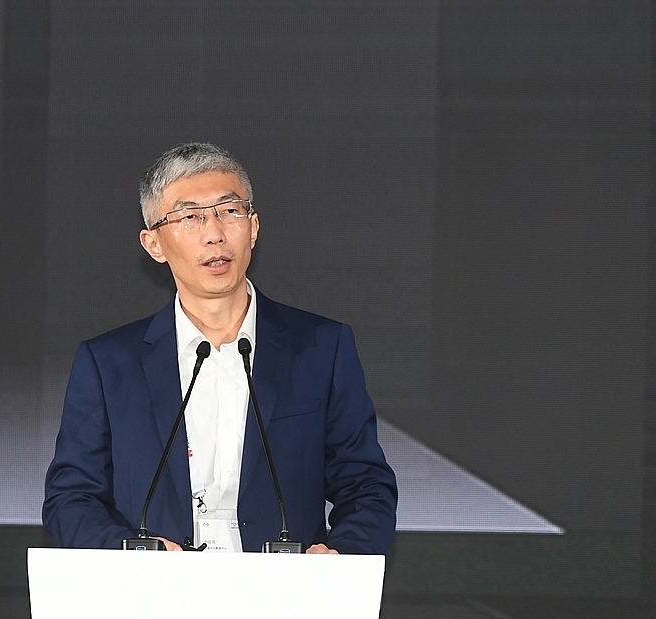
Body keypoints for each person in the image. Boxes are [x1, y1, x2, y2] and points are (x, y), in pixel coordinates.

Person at [43, 143, 397, 554]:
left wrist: (341, 557)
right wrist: (132, 553)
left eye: (229, 211)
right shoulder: (107, 363)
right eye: (189, 217)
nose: (214, 234)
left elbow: (366, 485)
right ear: (154, 244)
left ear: (254, 227)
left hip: (281, 587)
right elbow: (71, 498)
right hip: (156, 588)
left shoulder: (321, 348)